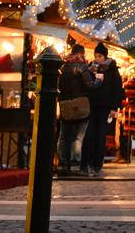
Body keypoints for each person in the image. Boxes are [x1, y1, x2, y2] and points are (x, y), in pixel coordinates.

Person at [82, 43, 124, 176]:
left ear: (105, 56)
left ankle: (97, 164)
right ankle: (86, 163)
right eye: (95, 56)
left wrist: (114, 107)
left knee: (101, 136)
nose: (97, 58)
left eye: (99, 56)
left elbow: (117, 89)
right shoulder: (91, 68)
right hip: (92, 105)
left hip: (105, 107)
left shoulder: (112, 70)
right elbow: (87, 85)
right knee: (89, 135)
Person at [56, 42, 96, 177]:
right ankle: (75, 164)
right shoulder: (82, 66)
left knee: (64, 136)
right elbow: (90, 85)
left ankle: (63, 164)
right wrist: (99, 80)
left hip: (65, 104)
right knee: (78, 137)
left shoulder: (61, 66)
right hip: (80, 104)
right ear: (81, 53)